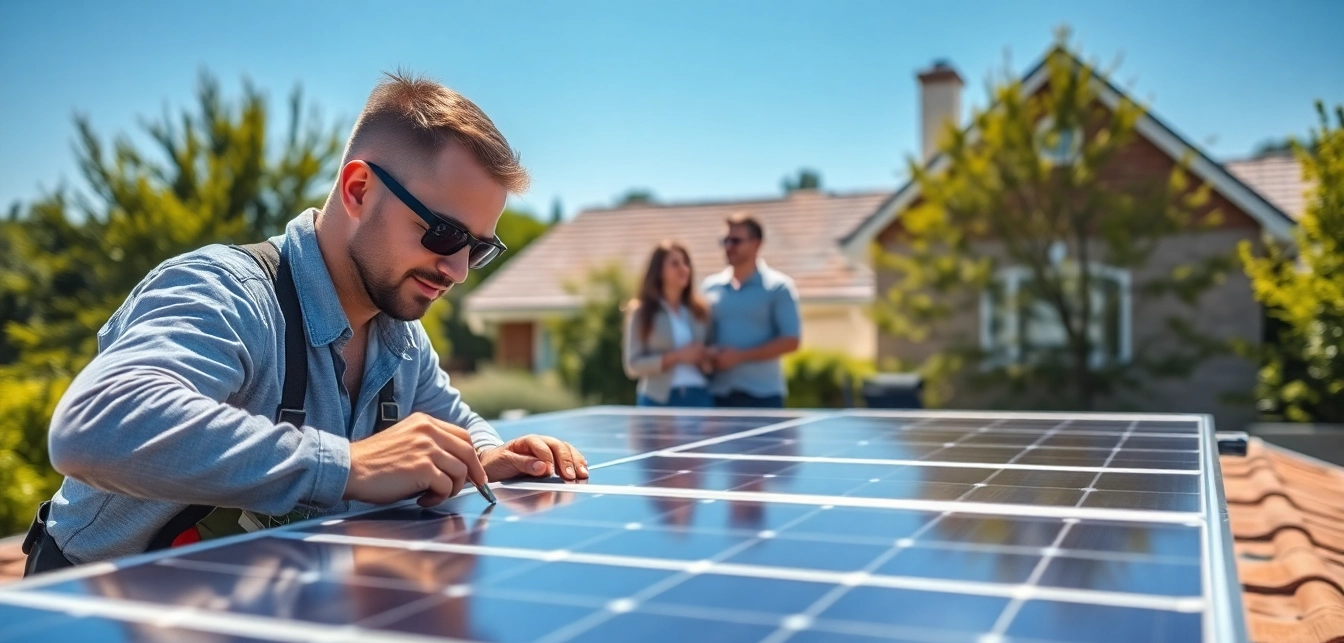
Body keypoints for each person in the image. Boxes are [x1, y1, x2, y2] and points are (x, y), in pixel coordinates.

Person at [24, 72, 588, 574]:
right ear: (359, 190)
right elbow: (95, 424)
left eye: (479, 248)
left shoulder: (400, 338)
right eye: (443, 234)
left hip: (246, 636)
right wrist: (345, 466)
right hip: (96, 632)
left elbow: (458, 422)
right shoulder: (229, 293)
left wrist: (488, 455)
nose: (459, 270)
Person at [702, 213, 801, 408]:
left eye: (736, 241)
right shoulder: (709, 287)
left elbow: (791, 340)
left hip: (764, 396)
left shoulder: (778, 288)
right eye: (725, 240)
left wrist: (739, 356)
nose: (729, 247)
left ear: (756, 244)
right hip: (718, 394)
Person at [622, 241, 713, 407]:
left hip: (699, 396)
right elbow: (633, 366)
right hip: (658, 399)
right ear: (658, 271)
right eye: (675, 264)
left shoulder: (700, 311)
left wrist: (706, 358)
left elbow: (710, 358)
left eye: (686, 263)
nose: (684, 269)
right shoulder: (642, 313)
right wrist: (677, 357)